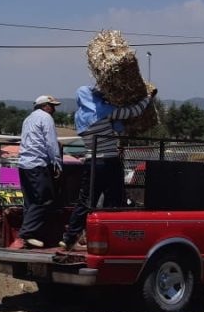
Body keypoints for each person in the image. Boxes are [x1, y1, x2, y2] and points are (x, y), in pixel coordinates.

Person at [60, 85, 157, 251]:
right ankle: (112, 237)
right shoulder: (102, 111)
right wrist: (148, 97)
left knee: (85, 200)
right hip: (109, 161)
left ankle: (69, 238)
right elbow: (132, 112)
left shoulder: (79, 116)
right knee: (114, 200)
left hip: (91, 162)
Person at [11, 95, 63, 249]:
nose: (54, 109)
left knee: (30, 201)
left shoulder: (28, 119)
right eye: (52, 106)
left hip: (24, 164)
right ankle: (25, 234)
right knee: (45, 199)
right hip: (38, 164)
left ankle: (35, 236)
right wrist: (57, 163)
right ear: (44, 106)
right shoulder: (46, 117)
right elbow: (51, 142)